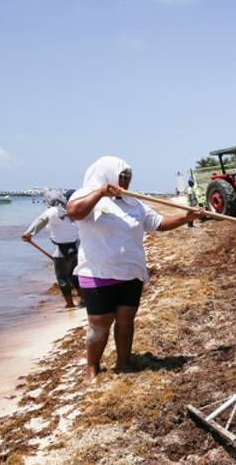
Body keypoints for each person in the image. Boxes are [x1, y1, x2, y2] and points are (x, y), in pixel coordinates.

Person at [66, 156, 206, 384]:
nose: (126, 182)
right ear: (108, 176)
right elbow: (75, 212)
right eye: (122, 177)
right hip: (98, 272)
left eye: (128, 178)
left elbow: (159, 223)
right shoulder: (86, 196)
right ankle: (92, 367)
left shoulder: (134, 203)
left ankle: (124, 362)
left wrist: (185, 217)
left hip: (131, 272)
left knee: (125, 319)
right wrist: (101, 193)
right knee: (99, 323)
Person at [22, 189, 81, 308]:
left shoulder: (53, 211)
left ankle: (70, 304)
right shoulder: (68, 210)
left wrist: (29, 233)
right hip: (76, 249)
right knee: (75, 276)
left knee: (63, 279)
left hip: (61, 253)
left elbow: (41, 220)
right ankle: (83, 299)